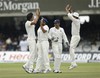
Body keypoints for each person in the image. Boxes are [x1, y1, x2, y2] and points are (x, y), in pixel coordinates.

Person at [22, 8, 40, 73]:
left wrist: (38, 13)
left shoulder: (30, 21)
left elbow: (36, 18)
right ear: (30, 17)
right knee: (32, 54)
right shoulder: (27, 23)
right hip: (30, 40)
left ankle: (26, 65)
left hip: (33, 40)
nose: (33, 17)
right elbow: (35, 21)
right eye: (33, 16)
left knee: (35, 54)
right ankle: (30, 68)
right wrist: (37, 15)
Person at [65, 4, 81, 69]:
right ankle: (73, 63)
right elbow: (71, 15)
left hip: (75, 36)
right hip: (74, 36)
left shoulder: (76, 21)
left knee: (71, 49)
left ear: (76, 17)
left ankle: (74, 64)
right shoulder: (76, 20)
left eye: (74, 16)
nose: (73, 17)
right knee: (71, 49)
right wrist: (71, 11)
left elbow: (70, 16)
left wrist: (67, 10)